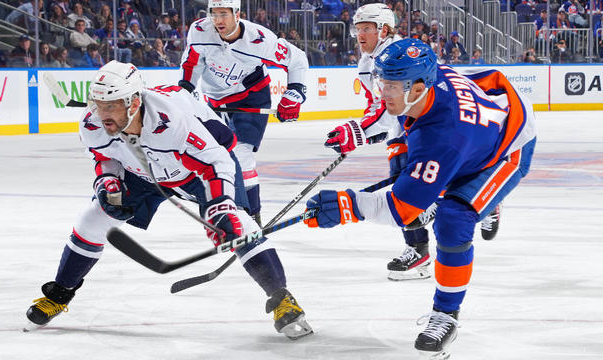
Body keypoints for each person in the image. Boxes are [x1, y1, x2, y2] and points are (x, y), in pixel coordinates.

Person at [25, 60, 313, 340]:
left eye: (110, 105)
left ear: (134, 103)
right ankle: (60, 294)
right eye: (99, 105)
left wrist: (220, 209)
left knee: (239, 226)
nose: (103, 113)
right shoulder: (92, 124)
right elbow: (104, 157)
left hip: (200, 169)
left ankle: (282, 299)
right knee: (93, 219)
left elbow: (217, 162)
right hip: (144, 172)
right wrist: (108, 181)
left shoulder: (170, 120)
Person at [303, 38, 537, 359]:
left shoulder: (443, 137)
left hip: (506, 146)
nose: (383, 92)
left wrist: (349, 205)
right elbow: (393, 111)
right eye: (381, 83)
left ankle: (446, 315)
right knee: (413, 169)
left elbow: (399, 210)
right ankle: (472, 198)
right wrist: (362, 129)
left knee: (454, 218)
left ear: (417, 88)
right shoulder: (423, 82)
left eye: (392, 86)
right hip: (477, 128)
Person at [323, 4, 433, 281]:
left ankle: (479, 201)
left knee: (423, 187)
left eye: (366, 28)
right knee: (402, 184)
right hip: (401, 128)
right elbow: (377, 106)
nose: (360, 35)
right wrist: (361, 132)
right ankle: (418, 250)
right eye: (358, 29)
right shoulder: (366, 63)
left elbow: (388, 105)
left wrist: (357, 131)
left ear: (383, 29)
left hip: (427, 125)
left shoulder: (397, 54)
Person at [179, 0, 309, 226]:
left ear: (237, 14)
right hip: (214, 101)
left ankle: (251, 218)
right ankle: (228, 208)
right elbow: (192, 63)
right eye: (214, 14)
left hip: (251, 97)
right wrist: (185, 90)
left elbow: (297, 59)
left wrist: (295, 93)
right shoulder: (200, 30)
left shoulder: (259, 39)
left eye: (224, 14)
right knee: (214, 156)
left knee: (241, 155)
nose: (218, 20)